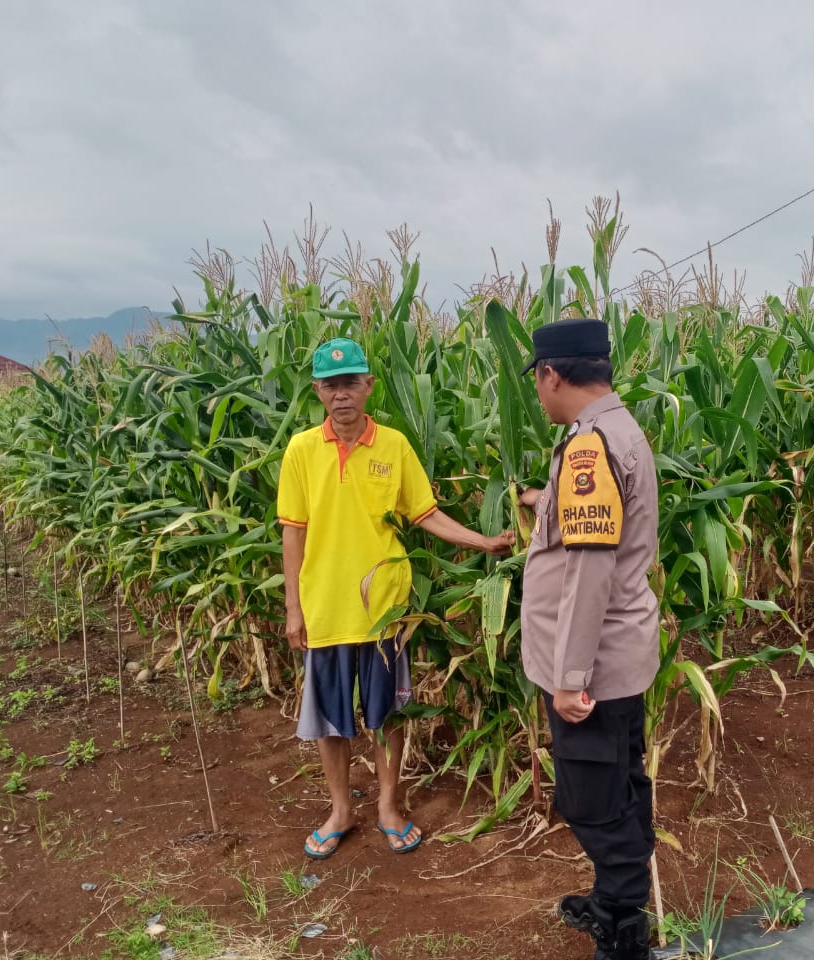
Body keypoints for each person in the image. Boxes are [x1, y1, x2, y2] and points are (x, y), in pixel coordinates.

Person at [277, 336, 513, 860]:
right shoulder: (299, 451)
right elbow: (292, 533)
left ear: (369, 386)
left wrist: (485, 541)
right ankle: (340, 810)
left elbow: (425, 514)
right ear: (318, 390)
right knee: (332, 722)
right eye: (331, 385)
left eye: (351, 383)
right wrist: (295, 608)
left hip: (384, 612)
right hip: (326, 610)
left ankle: (387, 805)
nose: (342, 395)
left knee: (387, 717)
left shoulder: (394, 446)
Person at [517, 318, 660, 960]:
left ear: (551, 374)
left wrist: (570, 678)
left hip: (593, 667)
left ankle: (625, 929)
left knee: (593, 801)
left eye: (538, 382)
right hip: (623, 655)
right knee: (620, 783)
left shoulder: (588, 449)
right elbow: (596, 518)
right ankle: (614, 899)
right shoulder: (612, 431)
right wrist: (540, 501)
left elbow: (590, 568)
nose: (539, 395)